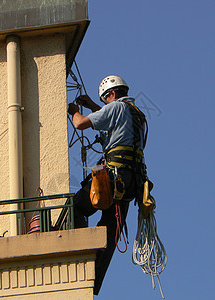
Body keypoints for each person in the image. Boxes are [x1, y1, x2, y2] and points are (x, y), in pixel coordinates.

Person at [68, 75, 147, 295]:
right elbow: (114, 122)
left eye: (104, 100)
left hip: (113, 177)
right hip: (131, 184)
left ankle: (77, 258)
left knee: (77, 206)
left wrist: (74, 110)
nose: (104, 104)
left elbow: (80, 123)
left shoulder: (115, 109)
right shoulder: (137, 114)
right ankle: (94, 278)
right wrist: (94, 106)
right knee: (111, 228)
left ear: (111, 95)